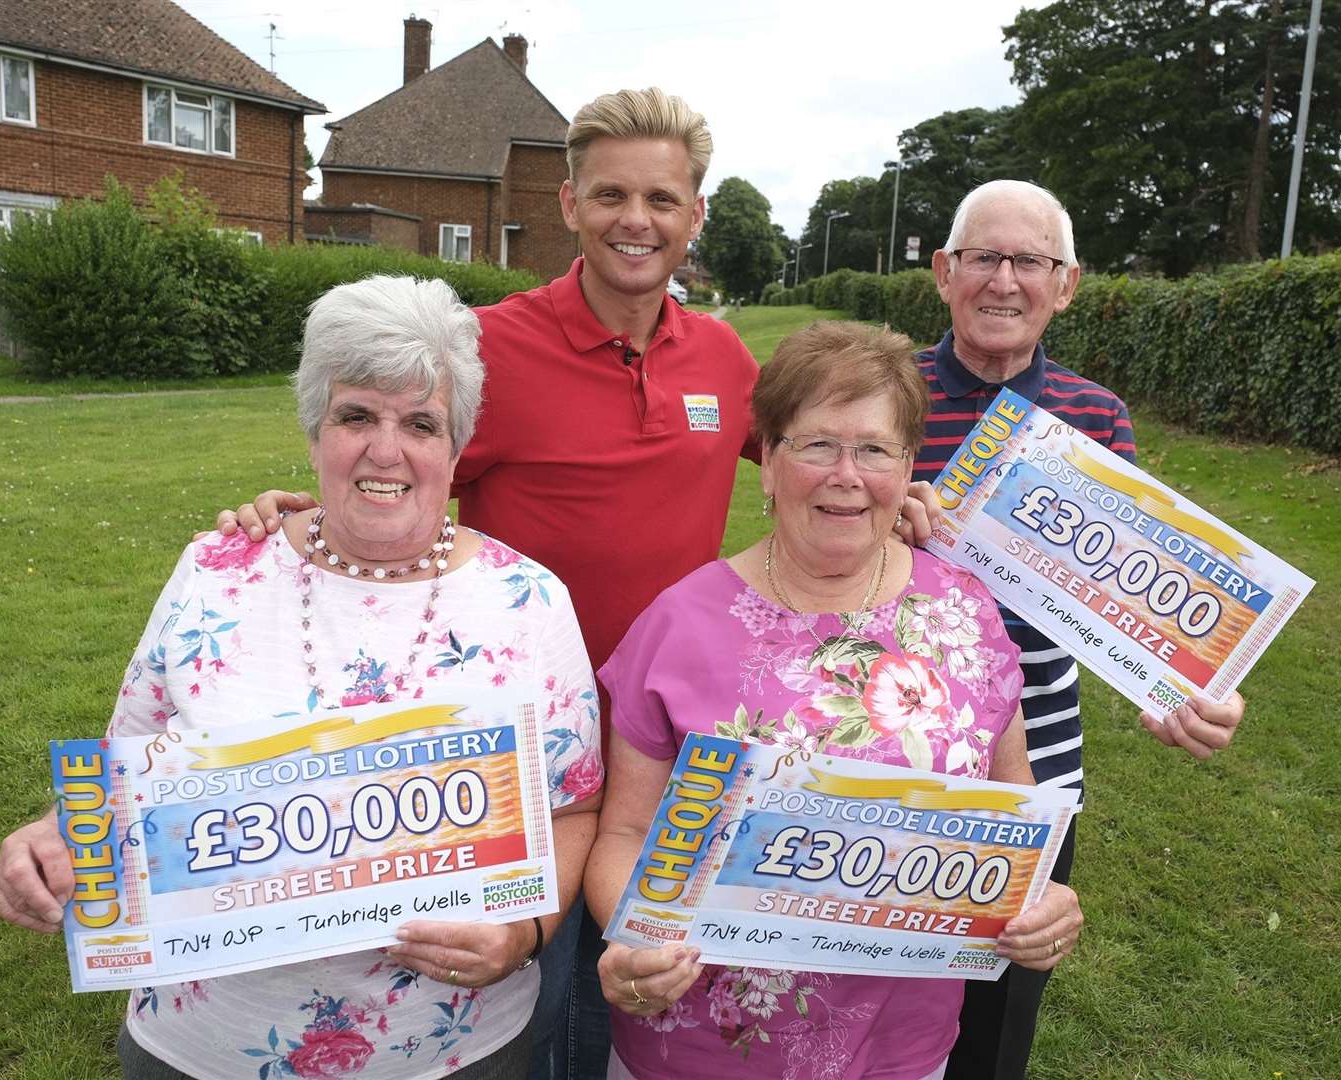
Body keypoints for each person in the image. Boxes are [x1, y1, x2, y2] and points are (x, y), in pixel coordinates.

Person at [217, 88, 784, 1080]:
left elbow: (803, 463)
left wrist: (892, 494)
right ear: (567, 203)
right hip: (516, 744)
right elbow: (391, 467)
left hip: (667, 746)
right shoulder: (486, 350)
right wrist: (296, 517)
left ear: (695, 213)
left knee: (642, 981)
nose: (634, 220)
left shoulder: (723, 359)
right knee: (538, 985)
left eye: (660, 198)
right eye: (609, 193)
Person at [0, 275, 604, 1080]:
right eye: (355, 416)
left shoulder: (527, 599)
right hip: (203, 1040)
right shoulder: (217, 568)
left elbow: (575, 805)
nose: (386, 450)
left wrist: (524, 935)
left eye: (421, 423)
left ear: (456, 448)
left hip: (451, 1049)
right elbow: (123, 769)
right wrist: (54, 838)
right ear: (314, 430)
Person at [584, 320, 1084, 1080]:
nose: (845, 474)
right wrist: (633, 937)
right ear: (767, 463)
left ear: (907, 464)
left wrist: (1042, 901)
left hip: (902, 1047)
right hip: (698, 1049)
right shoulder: (679, 624)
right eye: (816, 444)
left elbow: (1015, 813)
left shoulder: (964, 613)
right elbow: (621, 833)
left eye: (875, 449)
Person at [917, 179, 1246, 1078]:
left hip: (1040, 760)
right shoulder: (885, 399)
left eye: (1031, 261)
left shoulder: (1095, 419)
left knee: (997, 1006)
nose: (1004, 279)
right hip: (890, 745)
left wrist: (1178, 687)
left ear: (1065, 285)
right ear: (944, 272)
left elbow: (1127, 602)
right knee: (866, 994)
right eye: (984, 256)